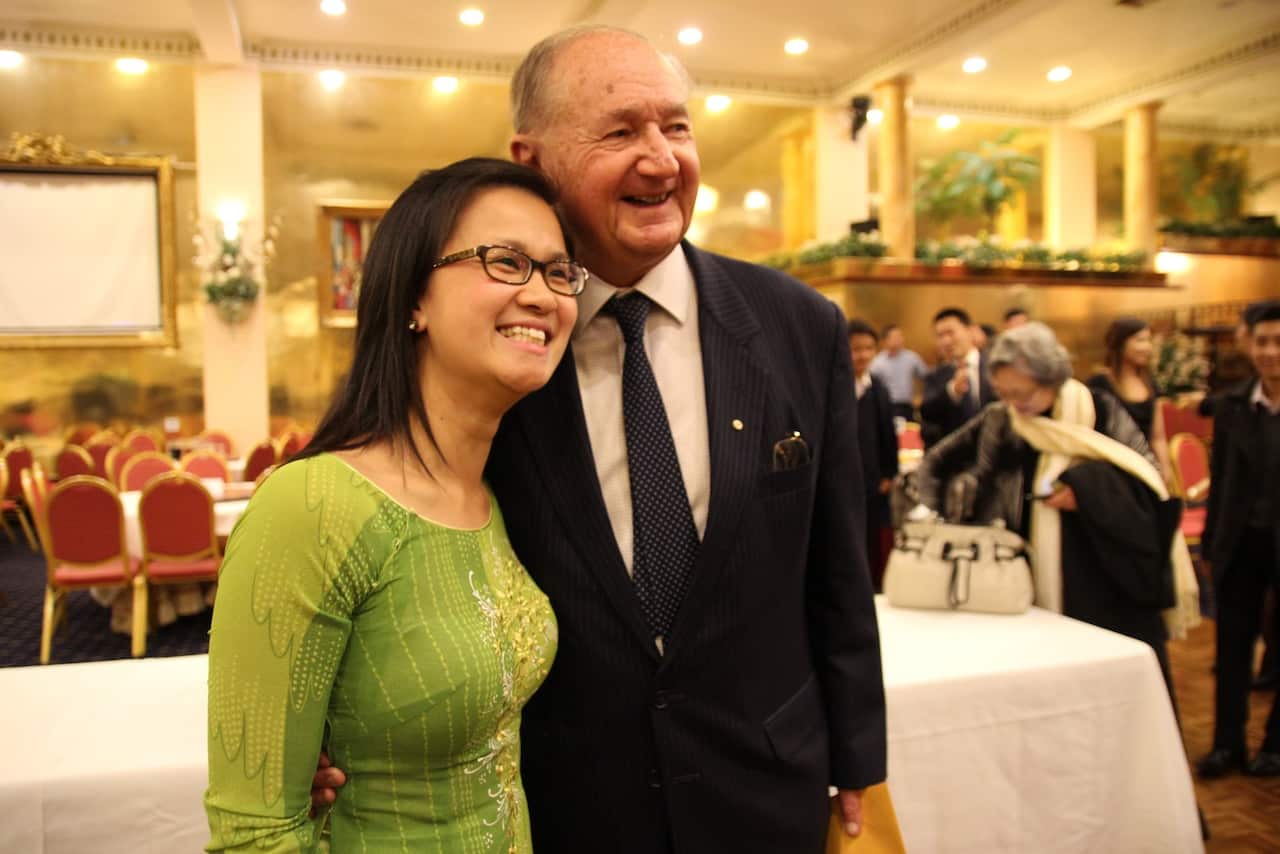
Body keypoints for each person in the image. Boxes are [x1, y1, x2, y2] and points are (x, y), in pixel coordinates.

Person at [314, 29, 888, 852]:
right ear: (533, 159)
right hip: (563, 799)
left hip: (765, 782)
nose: (661, 159)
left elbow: (837, 565)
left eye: (677, 126)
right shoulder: (493, 347)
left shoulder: (798, 324)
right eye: (620, 132)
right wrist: (327, 719)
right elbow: (381, 530)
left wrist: (858, 752)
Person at [204, 158, 586, 851]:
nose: (542, 295)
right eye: (506, 262)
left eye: (560, 273)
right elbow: (254, 834)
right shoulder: (312, 506)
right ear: (413, 297)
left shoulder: (493, 495)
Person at [913, 323, 1199, 694]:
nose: (1015, 404)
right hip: (1017, 579)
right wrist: (962, 493)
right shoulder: (1000, 419)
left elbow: (1144, 478)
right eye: (1004, 393)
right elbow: (935, 466)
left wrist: (1086, 491)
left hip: (1099, 579)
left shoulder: (1098, 409)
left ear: (1051, 378)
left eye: (1023, 393)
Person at [1197, 301, 1280, 779]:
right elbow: (1222, 481)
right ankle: (1227, 744)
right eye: (1262, 341)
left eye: (1278, 342)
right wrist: (1211, 545)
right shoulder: (1232, 405)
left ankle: (1275, 745)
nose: (1269, 352)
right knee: (1231, 649)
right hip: (1240, 542)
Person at [1085, 317, 1174, 484]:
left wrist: (1165, 468)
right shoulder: (1099, 384)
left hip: (1145, 469)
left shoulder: (1149, 383)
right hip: (1112, 471)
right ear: (1120, 343)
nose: (1147, 347)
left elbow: (1157, 436)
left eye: (1149, 340)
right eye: (1140, 340)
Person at [848, 319, 899, 589]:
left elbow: (887, 434)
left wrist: (889, 473)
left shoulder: (878, 388)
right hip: (843, 476)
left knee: (871, 535)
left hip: (872, 477)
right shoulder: (834, 385)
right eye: (856, 349)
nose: (863, 355)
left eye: (869, 348)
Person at [919, 306, 996, 447]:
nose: (946, 341)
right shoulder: (934, 376)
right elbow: (927, 414)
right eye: (940, 336)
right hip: (953, 452)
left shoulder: (994, 367)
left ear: (970, 331)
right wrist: (952, 391)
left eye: (950, 333)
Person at [870, 323, 926, 422]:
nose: (900, 339)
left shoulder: (912, 357)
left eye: (900, 336)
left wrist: (922, 397)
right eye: (895, 337)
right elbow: (871, 386)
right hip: (888, 406)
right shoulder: (877, 362)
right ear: (885, 340)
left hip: (908, 406)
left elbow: (926, 376)